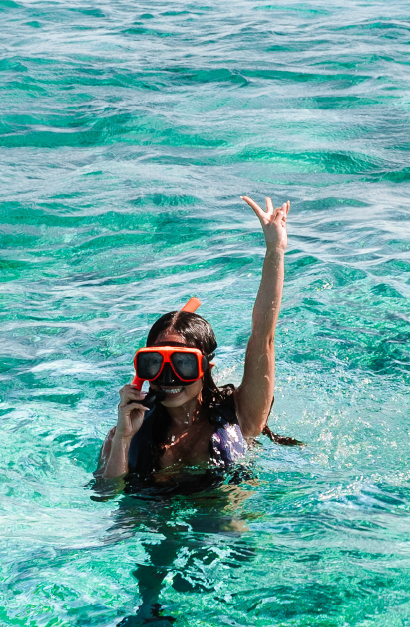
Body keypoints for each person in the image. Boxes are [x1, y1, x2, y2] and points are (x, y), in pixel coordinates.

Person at [98, 196, 294, 483]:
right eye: (154, 363)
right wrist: (124, 438)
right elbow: (107, 492)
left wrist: (275, 250)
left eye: (183, 363)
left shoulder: (241, 413)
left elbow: (263, 336)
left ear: (206, 368)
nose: (168, 377)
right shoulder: (129, 427)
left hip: (222, 518)